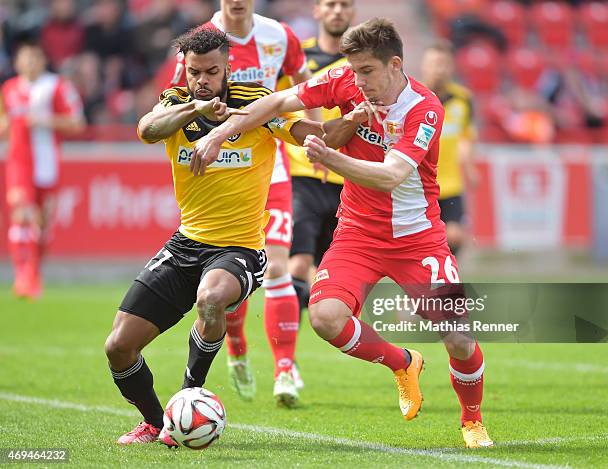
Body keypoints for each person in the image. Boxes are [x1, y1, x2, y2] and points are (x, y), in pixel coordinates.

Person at [192, 18, 494, 449]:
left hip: (417, 239)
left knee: (459, 338)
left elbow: (391, 176)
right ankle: (403, 363)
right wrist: (222, 132)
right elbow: (278, 101)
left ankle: (472, 419)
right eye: (353, 70)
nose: (358, 80)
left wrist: (330, 159)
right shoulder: (344, 80)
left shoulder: (425, 108)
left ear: (394, 65)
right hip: (358, 236)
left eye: (366, 71)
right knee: (325, 318)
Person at [103, 27, 356, 446]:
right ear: (183, 68)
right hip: (185, 244)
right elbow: (147, 130)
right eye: (194, 71)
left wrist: (349, 122)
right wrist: (192, 110)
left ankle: (189, 394)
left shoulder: (254, 103)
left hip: (239, 248)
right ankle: (156, 423)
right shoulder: (174, 103)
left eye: (211, 72)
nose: (202, 80)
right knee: (118, 347)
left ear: (228, 69)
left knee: (211, 298)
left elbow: (312, 133)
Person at [167, 0, 314, 404]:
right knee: (226, 287)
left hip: (272, 166)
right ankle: (235, 348)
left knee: (281, 266)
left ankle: (285, 369)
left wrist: (312, 141)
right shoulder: (199, 43)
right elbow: (172, 102)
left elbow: (305, 89)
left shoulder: (280, 36)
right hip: (221, 167)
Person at [286, 0, 355, 318]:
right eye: (331, 4)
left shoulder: (361, 62)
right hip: (303, 175)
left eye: (345, 4)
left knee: (336, 275)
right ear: (317, 11)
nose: (338, 10)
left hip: (348, 178)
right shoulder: (298, 58)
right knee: (297, 262)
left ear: (353, 12)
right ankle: (285, 362)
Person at [0, 41, 84, 300]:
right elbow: (4, 122)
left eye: (34, 58)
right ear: (17, 63)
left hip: (47, 163)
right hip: (18, 162)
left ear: (42, 61)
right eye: (24, 58)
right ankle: (23, 276)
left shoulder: (57, 86)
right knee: (21, 214)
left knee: (42, 224)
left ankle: (34, 274)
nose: (29, 63)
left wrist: (45, 120)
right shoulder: (9, 88)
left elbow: (77, 123)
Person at [421, 39, 478, 255]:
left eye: (443, 64)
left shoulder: (463, 99)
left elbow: (466, 136)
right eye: (434, 63)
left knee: (454, 235)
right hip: (420, 184)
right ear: (424, 66)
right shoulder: (412, 96)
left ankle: (445, 278)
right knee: (422, 241)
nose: (439, 69)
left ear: (451, 66)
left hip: (451, 182)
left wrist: (469, 165)